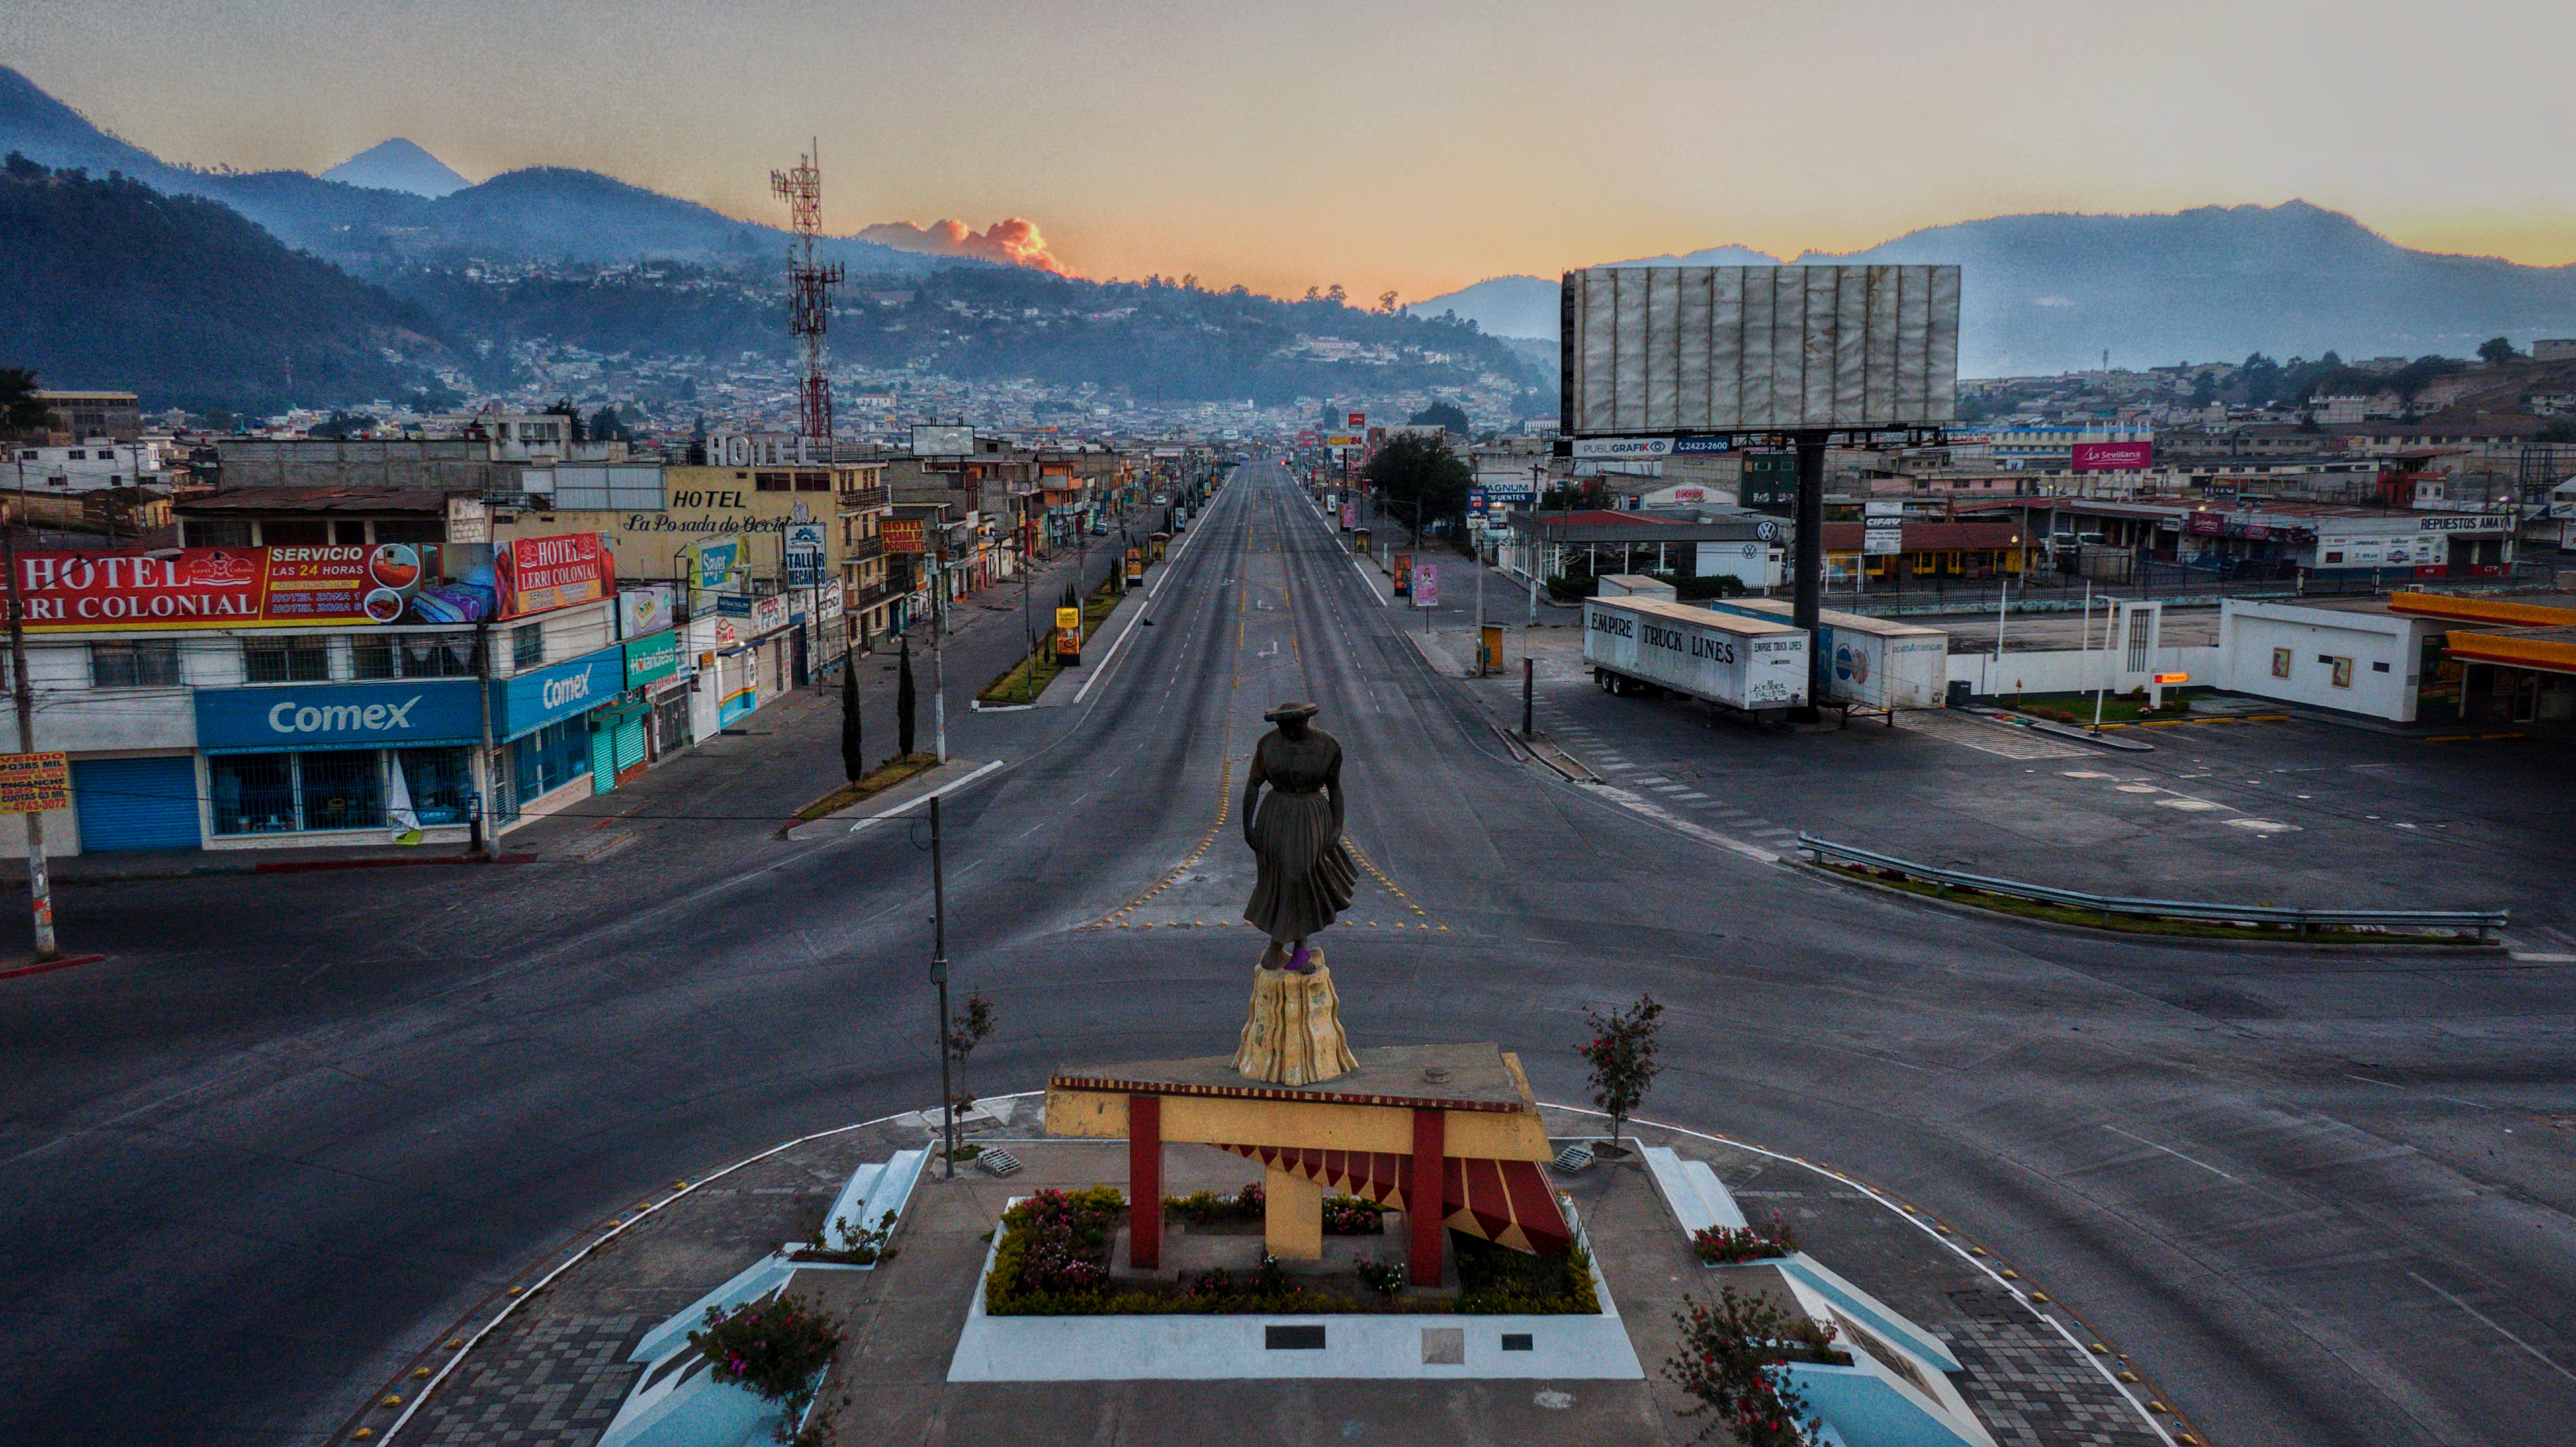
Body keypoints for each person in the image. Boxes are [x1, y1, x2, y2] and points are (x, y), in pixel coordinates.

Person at [1240, 702, 1358, 973]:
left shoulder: (1328, 746)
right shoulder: (1268, 744)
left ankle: (1300, 946)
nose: (1287, 732)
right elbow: (1253, 785)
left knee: (1301, 873)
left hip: (1310, 814)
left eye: (1292, 726)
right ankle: (1277, 942)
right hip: (1276, 814)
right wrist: (1248, 826)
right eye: (1282, 727)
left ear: (1304, 722)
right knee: (1275, 875)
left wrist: (1337, 827)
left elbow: (1335, 788)